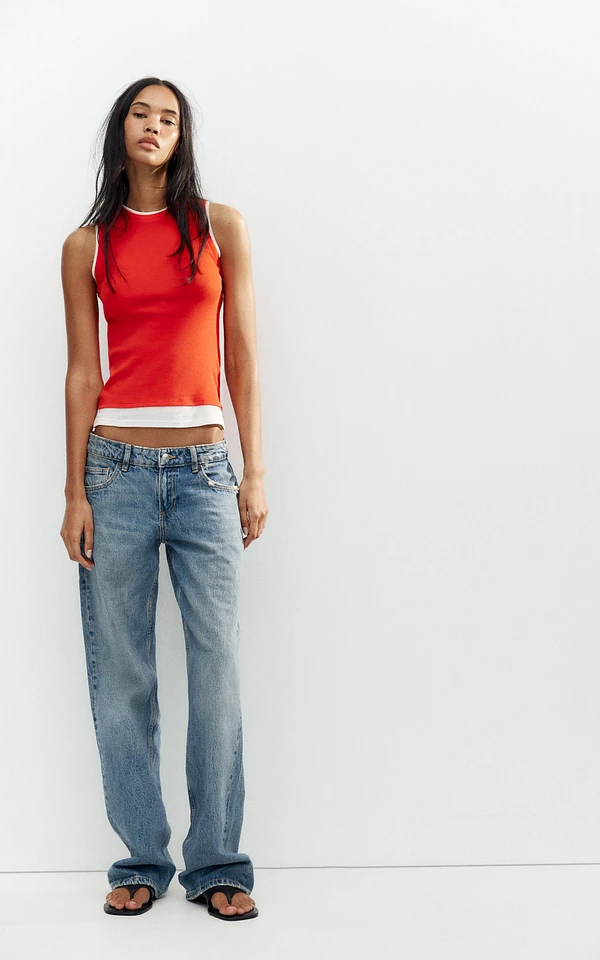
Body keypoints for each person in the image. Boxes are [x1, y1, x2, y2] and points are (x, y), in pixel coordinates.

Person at [59, 77, 267, 921]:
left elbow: (241, 355)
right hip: (114, 471)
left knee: (215, 668)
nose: (155, 126)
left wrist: (255, 470)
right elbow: (84, 372)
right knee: (123, 675)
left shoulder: (220, 228)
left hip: (205, 471)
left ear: (182, 138)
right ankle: (140, 856)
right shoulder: (86, 244)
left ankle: (217, 863)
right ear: (122, 131)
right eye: (141, 114)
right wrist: (73, 490)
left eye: (169, 117)